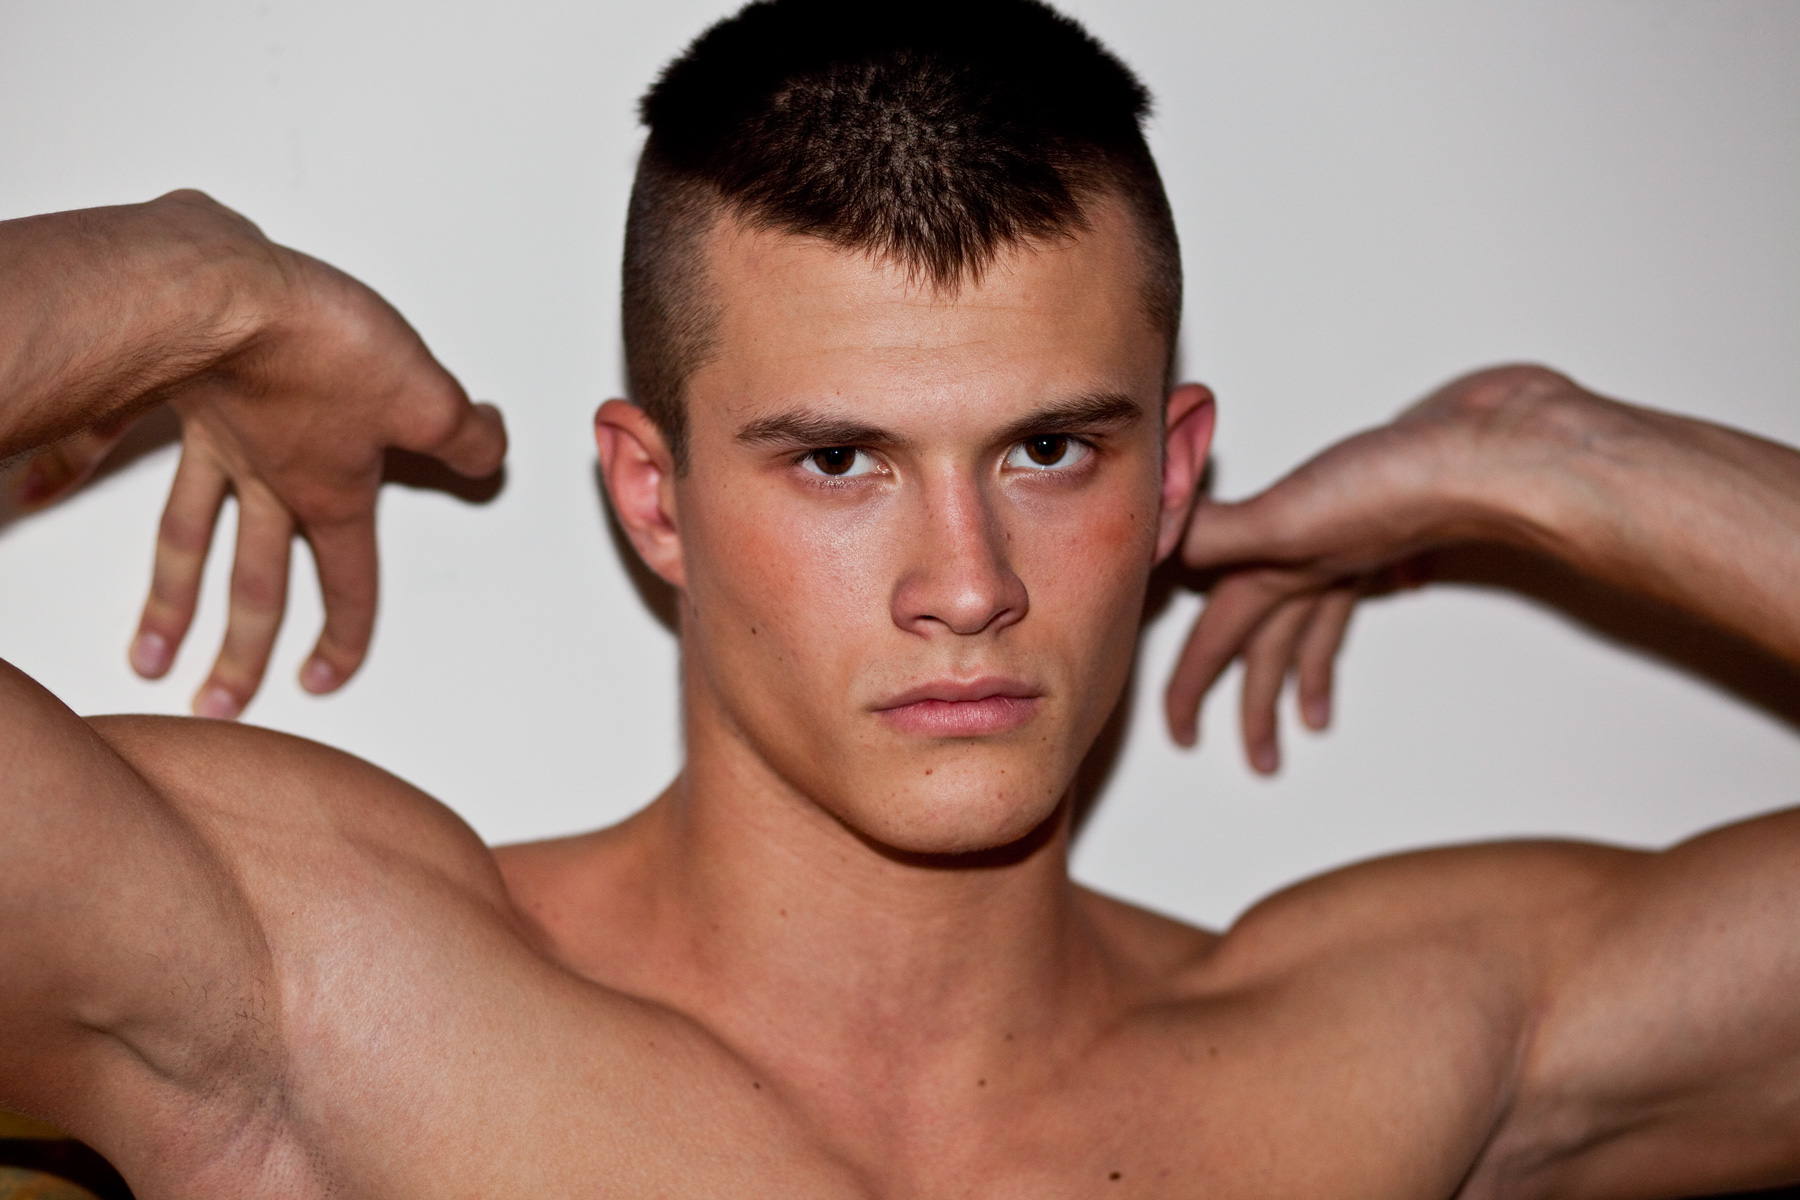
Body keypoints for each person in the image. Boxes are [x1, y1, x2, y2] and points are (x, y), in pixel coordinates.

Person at [3, 2, 1798, 1196]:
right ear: (656, 496)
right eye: (839, 460)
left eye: (1051, 452)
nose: (968, 586)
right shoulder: (332, 992)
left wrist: (1569, 461)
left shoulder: (1377, 1056)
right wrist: (201, 288)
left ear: (1174, 478)